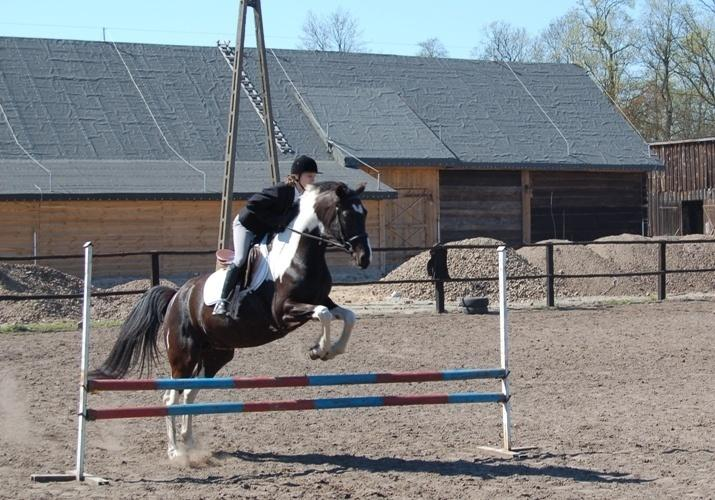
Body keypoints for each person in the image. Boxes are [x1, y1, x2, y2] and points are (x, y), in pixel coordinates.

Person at [213, 155, 321, 316]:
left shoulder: (304, 195)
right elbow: (252, 204)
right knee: (241, 259)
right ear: (297, 176)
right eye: (309, 176)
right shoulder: (283, 190)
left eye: (314, 176)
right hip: (247, 226)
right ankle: (222, 301)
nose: (313, 179)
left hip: (267, 229)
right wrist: (276, 221)